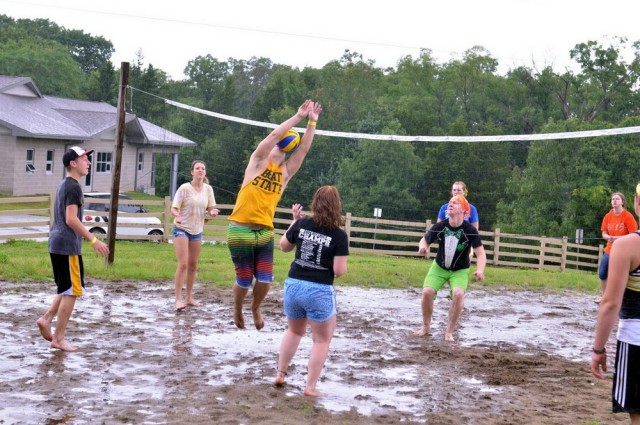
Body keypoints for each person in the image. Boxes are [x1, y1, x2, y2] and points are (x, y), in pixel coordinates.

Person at [228, 99, 322, 330]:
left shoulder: (285, 173)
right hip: (240, 228)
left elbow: (304, 150)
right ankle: (238, 308)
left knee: (265, 279)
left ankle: (255, 307)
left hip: (264, 231)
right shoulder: (257, 162)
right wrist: (298, 116)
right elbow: (271, 137)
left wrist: (312, 123)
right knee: (244, 278)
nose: (276, 146)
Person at [273, 186, 349, 396]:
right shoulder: (339, 235)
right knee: (321, 341)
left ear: (315, 202)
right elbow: (339, 271)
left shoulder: (302, 223)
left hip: (294, 285)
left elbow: (284, 246)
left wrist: (294, 220)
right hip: (319, 290)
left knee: (294, 331)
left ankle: (280, 374)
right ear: (336, 206)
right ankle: (310, 387)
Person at [36, 146, 110, 352]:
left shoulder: (64, 184)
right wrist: (94, 240)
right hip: (67, 246)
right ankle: (59, 339)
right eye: (84, 159)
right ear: (73, 163)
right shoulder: (74, 187)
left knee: (66, 288)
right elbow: (71, 219)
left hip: (57, 243)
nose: (89, 163)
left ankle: (46, 318)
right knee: (72, 292)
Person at [591, 183, 640, 423]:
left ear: (636, 204)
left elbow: (610, 304)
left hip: (635, 340)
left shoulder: (628, 245)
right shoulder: (616, 231)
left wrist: (598, 350)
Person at [414, 195, 486, 342]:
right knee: (427, 292)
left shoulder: (470, 230)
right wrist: (423, 247)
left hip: (460, 270)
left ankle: (449, 332)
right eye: (450, 202)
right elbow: (425, 239)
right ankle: (426, 326)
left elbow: (481, 254)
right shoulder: (440, 226)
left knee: (458, 294)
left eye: (455, 203)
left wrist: (480, 270)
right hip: (439, 267)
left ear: (463, 210)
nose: (450, 204)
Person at [171, 160, 220, 311]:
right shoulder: (184, 188)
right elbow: (174, 207)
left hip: (197, 230)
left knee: (193, 265)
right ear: (192, 172)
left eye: (203, 168)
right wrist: (177, 215)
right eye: (197, 168)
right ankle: (178, 299)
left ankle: (189, 297)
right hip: (181, 228)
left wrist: (212, 212)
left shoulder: (208, 189)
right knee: (183, 263)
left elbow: (211, 207)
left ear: (205, 173)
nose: (200, 170)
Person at [596, 191, 637, 303]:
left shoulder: (628, 216)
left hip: (623, 251)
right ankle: (605, 297)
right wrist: (608, 237)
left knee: (621, 276)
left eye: (617, 199)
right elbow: (603, 233)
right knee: (602, 272)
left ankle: (621, 298)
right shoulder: (608, 216)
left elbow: (634, 235)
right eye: (613, 199)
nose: (614, 200)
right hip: (609, 249)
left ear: (622, 202)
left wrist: (619, 239)